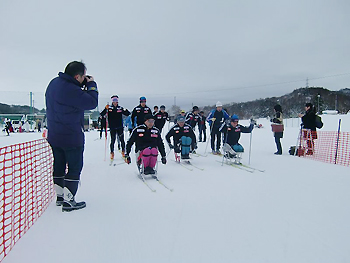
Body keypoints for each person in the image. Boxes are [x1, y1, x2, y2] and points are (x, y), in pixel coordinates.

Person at [45, 61, 98, 212]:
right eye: (82, 77)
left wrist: (81, 85)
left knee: (59, 165)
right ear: (76, 76)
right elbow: (91, 102)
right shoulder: (71, 90)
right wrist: (92, 85)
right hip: (71, 136)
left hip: (54, 135)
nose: (84, 79)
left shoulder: (54, 83)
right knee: (74, 167)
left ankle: (60, 197)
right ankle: (69, 201)